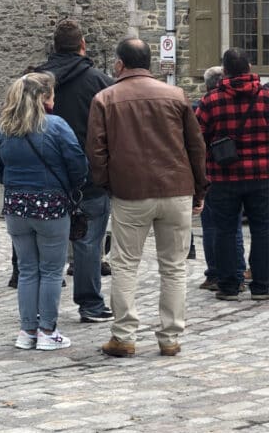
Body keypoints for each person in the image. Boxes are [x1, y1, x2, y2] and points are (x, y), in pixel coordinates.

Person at [87, 38, 206, 357]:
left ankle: (124, 335)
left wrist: (107, 183)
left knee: (125, 264)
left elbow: (96, 151)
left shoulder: (105, 98)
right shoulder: (176, 95)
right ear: (149, 63)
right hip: (176, 187)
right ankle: (170, 337)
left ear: (119, 64)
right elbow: (196, 146)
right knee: (174, 266)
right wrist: (200, 188)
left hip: (130, 192)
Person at [0, 72, 87, 350]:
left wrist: (15, 184)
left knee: (28, 270)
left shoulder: (5, 128)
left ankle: (27, 330)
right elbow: (78, 164)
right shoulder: (55, 126)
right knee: (52, 271)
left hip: (16, 205)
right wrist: (68, 185)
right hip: (52, 204)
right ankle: (46, 330)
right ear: (43, 97)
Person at [34, 20, 114, 324]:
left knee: (40, 246)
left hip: (42, 175)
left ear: (54, 48)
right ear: (83, 46)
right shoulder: (100, 82)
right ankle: (90, 304)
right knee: (89, 244)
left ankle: (39, 309)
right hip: (88, 177)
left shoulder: (34, 82)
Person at [194, 47, 269, 303]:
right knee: (263, 229)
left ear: (224, 70)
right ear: (249, 68)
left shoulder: (210, 101)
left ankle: (228, 285)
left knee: (224, 230)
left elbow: (196, 139)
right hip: (263, 175)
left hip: (223, 177)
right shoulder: (266, 97)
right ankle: (262, 285)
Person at [195, 65, 246, 292]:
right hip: (249, 172)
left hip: (214, 173)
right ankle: (238, 271)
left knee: (213, 226)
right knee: (234, 227)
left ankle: (216, 273)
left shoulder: (207, 104)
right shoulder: (248, 99)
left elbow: (197, 142)